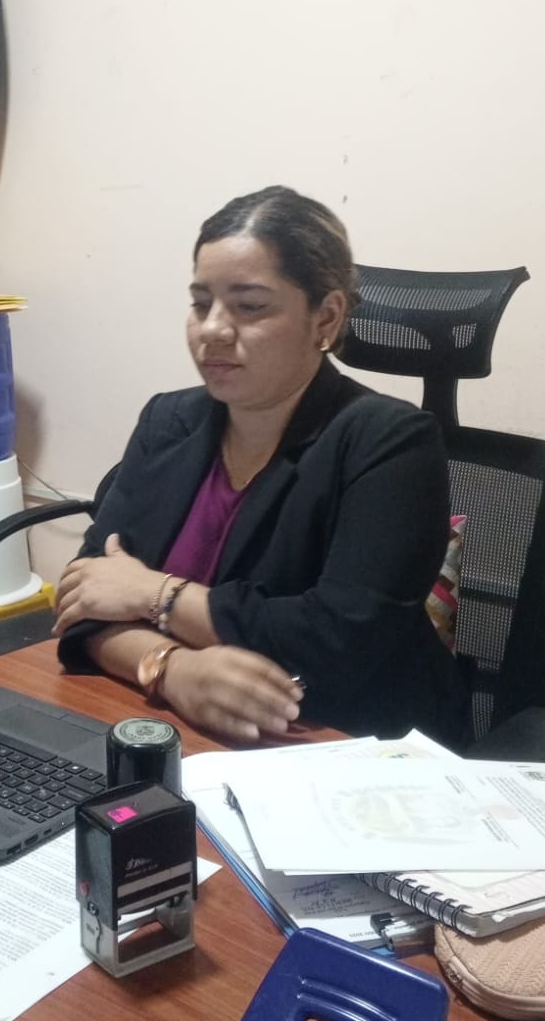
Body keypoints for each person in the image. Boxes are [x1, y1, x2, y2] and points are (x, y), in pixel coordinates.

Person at [53, 186, 467, 747]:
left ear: (325, 317)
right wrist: (171, 668)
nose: (212, 329)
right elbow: (84, 601)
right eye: (201, 303)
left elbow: (336, 645)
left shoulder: (390, 442)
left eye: (249, 306)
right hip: (168, 727)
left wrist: (155, 595)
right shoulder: (168, 421)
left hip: (337, 746)